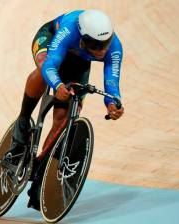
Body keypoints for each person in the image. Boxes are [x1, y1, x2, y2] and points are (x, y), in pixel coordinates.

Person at [8, 9, 124, 211]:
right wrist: (58, 86)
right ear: (83, 39)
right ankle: (23, 119)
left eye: (104, 45)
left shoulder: (114, 47)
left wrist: (113, 104)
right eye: (96, 46)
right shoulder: (69, 30)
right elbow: (51, 64)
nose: (102, 51)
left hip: (78, 61)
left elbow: (112, 81)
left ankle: (41, 169)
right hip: (51, 41)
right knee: (42, 66)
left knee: (64, 120)